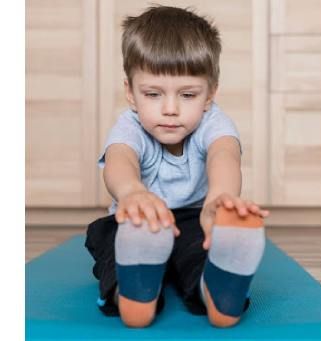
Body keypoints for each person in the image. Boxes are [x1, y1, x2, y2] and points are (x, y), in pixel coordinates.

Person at [85, 5, 270, 328]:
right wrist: (132, 193)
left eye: (187, 95)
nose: (170, 109)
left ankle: (214, 291)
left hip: (195, 219)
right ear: (130, 92)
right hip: (138, 219)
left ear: (210, 93)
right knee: (114, 244)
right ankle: (133, 295)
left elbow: (223, 154)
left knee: (203, 251)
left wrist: (219, 200)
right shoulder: (130, 126)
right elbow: (119, 159)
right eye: (153, 94)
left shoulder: (214, 122)